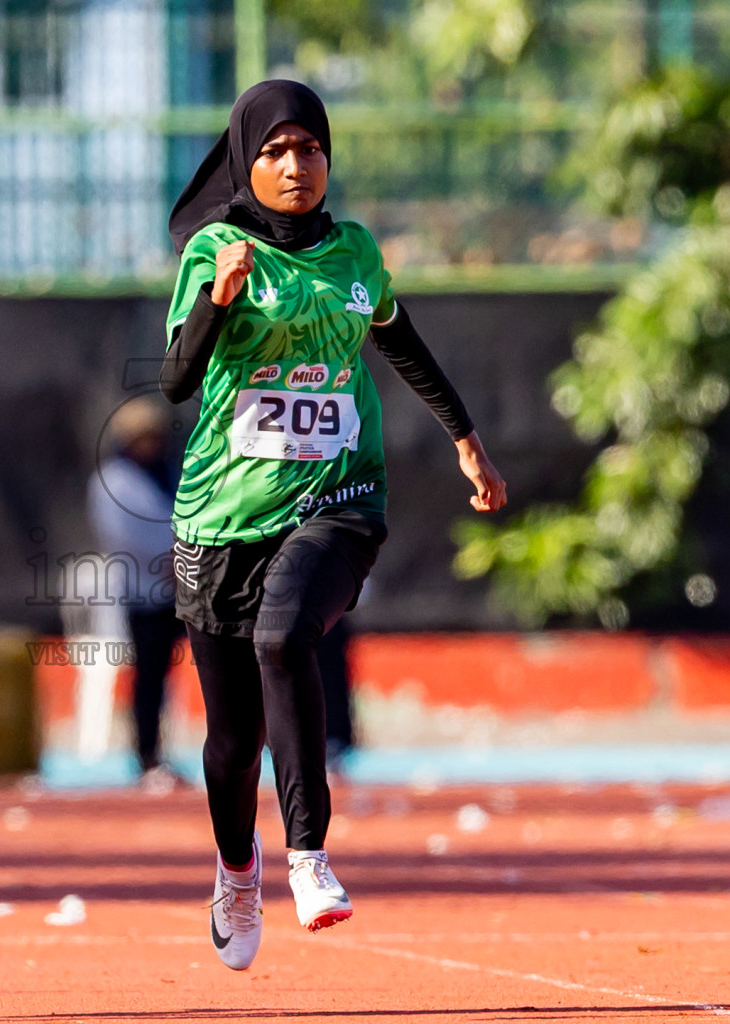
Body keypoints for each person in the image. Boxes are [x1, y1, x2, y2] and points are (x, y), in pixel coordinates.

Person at [161, 80, 506, 971]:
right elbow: (174, 381)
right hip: (221, 515)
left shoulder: (355, 252)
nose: (294, 165)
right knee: (232, 742)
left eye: (308, 148)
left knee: (285, 639)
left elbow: (400, 338)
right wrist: (217, 303)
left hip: (338, 500)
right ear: (247, 161)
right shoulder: (217, 249)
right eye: (274, 150)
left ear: (328, 159)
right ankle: (238, 871)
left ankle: (309, 857)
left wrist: (466, 438)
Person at [86, 397, 186, 787]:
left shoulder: (172, 474)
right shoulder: (114, 479)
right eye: (142, 437)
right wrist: (176, 557)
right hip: (145, 595)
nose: (151, 444)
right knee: (149, 678)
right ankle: (147, 756)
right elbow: (125, 535)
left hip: (185, 591)